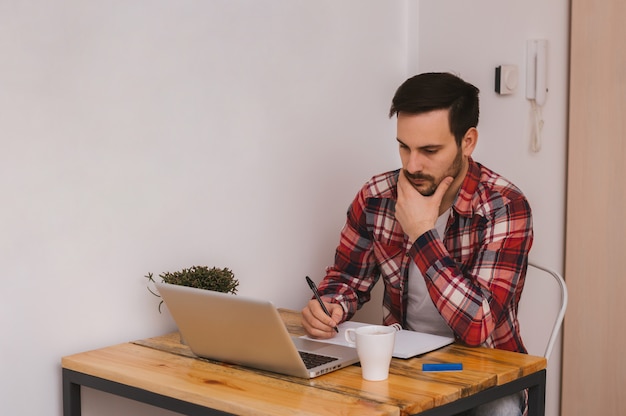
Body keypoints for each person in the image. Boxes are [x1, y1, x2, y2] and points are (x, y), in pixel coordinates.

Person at [301, 72, 533, 416]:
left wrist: (423, 234)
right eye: (403, 147)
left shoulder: (503, 206)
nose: (412, 165)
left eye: (429, 150)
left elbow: (479, 326)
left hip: (484, 370)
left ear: (467, 141)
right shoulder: (377, 196)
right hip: (402, 366)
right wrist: (330, 305)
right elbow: (347, 278)